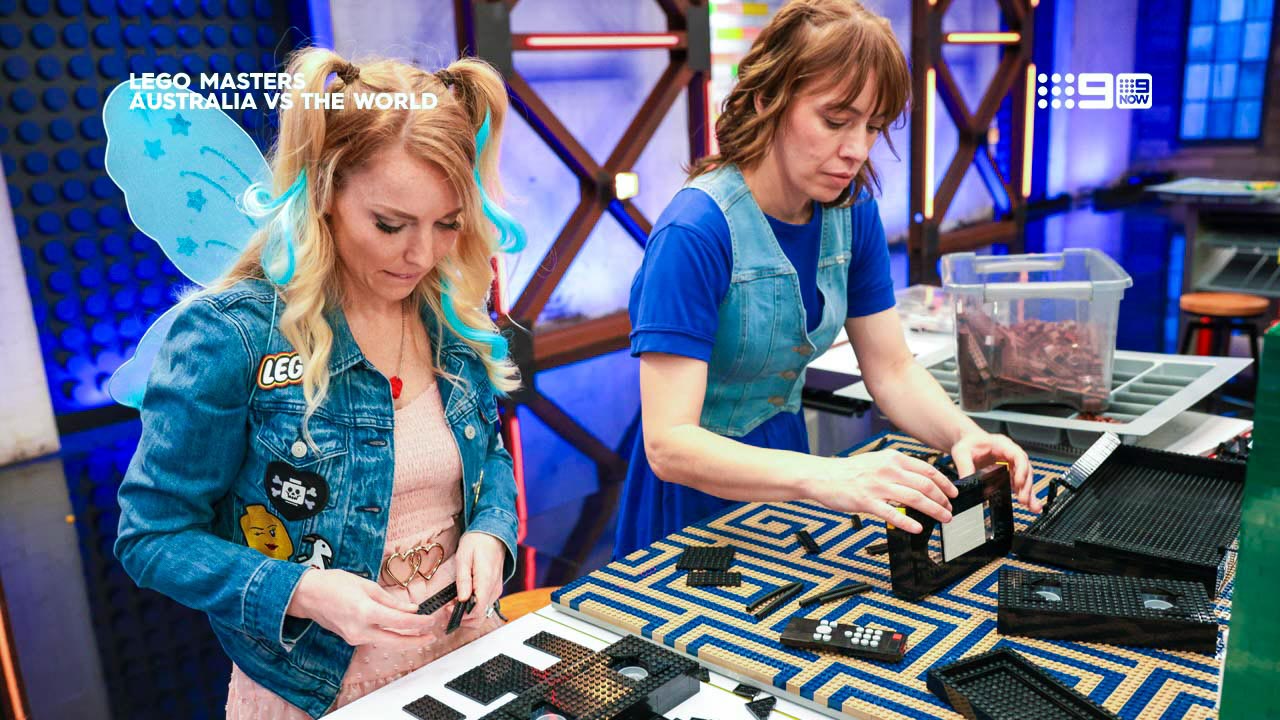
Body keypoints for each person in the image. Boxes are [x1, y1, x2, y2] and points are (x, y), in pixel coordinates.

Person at [114, 48, 523, 718]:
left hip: (467, 657)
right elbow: (151, 537)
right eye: (390, 224)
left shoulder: (445, 315)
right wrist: (302, 592)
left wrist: (490, 528)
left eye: (447, 224)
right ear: (324, 192)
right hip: (322, 688)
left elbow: (490, 458)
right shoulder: (234, 335)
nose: (421, 255)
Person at [615, 0, 1039, 559]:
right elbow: (670, 444)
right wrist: (830, 476)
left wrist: (964, 434)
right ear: (767, 98)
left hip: (786, 461)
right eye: (836, 120)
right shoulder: (695, 232)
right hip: (695, 489)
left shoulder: (850, 211)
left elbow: (891, 369)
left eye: (874, 126)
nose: (856, 149)